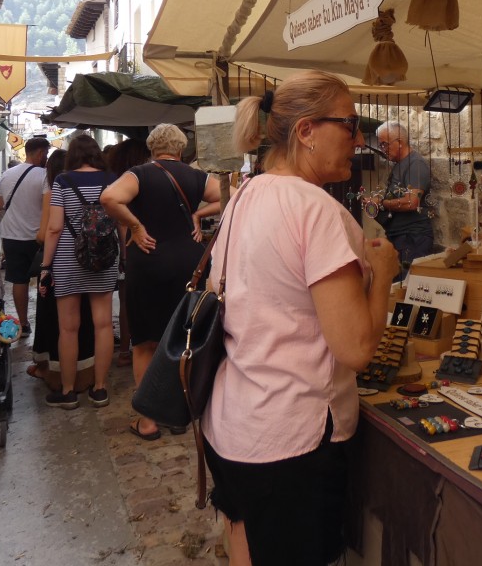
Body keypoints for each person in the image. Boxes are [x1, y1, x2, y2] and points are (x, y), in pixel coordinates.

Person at [195, 72, 399, 566]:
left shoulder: (246, 194)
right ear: (306, 130)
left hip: (232, 425)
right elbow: (356, 348)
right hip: (292, 441)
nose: (357, 140)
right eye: (349, 125)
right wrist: (385, 275)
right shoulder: (318, 211)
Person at [101, 124, 221, 439]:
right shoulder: (196, 177)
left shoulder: (139, 174)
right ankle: (177, 414)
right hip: (188, 263)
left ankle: (149, 421)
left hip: (149, 261)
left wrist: (135, 225)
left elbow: (109, 198)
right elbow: (233, 196)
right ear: (181, 149)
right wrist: (199, 215)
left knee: (145, 343)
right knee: (184, 340)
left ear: (152, 148)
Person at [40, 135, 118, 409]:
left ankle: (69, 391)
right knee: (103, 324)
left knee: (68, 328)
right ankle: (99, 389)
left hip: (67, 259)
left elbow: (54, 228)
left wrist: (46, 266)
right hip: (105, 257)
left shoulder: (63, 181)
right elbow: (120, 221)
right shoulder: (111, 179)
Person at [28, 149, 96, 392]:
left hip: (59, 262)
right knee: (87, 320)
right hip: (88, 261)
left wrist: (45, 263)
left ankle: (60, 380)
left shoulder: (55, 190)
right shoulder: (88, 186)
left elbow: (46, 231)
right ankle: (89, 376)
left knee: (59, 323)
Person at [0, 137, 50, 339]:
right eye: (46, 154)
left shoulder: (6, 174)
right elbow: (48, 205)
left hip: (11, 235)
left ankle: (23, 324)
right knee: (45, 278)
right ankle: (46, 323)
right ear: (41, 153)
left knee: (18, 280)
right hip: (37, 236)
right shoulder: (44, 175)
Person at [370, 120, 435, 279]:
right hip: (400, 237)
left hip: (413, 238)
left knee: (407, 288)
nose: (382, 149)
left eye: (384, 144)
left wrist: (383, 203)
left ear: (399, 142)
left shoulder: (416, 164)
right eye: (381, 145)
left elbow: (411, 202)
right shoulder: (399, 164)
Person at [105, 138, 150, 368]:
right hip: (135, 249)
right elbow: (123, 224)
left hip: (129, 250)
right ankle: (137, 348)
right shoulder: (136, 181)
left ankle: (125, 350)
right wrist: (125, 255)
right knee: (138, 302)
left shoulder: (117, 181)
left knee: (126, 302)